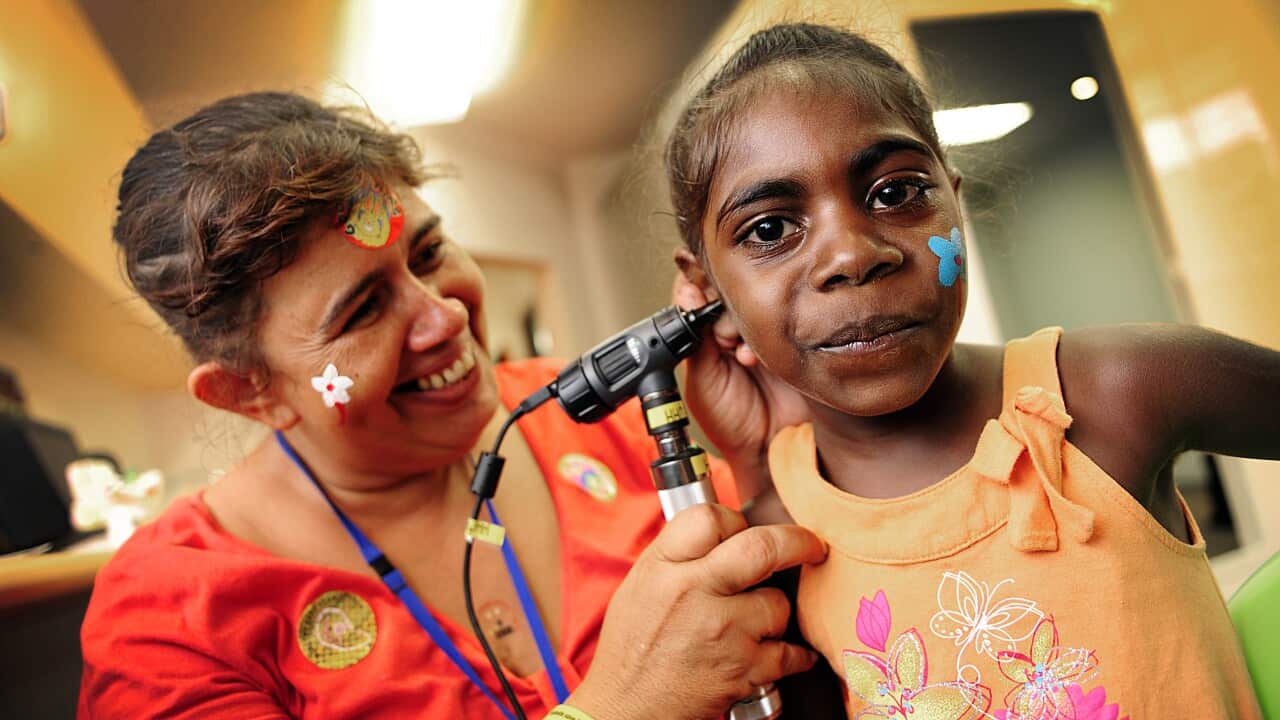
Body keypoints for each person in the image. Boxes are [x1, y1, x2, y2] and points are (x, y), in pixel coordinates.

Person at [78, 92, 830, 719]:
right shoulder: (170, 617)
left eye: (429, 254)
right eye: (362, 311)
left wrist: (768, 469)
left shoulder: (587, 414)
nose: (445, 318)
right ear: (249, 391)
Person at [667, 22, 1277, 719]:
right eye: (770, 229)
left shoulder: (1116, 388)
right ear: (707, 292)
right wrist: (755, 464)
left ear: (955, 199)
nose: (853, 255)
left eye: (895, 193)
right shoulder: (777, 541)